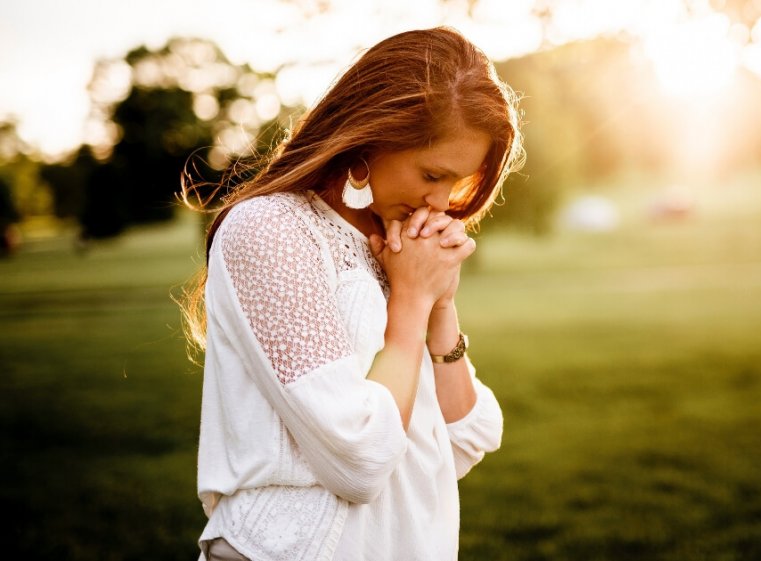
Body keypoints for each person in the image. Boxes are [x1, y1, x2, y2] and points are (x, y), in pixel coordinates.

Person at [178, 26, 524, 561]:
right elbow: (360, 457)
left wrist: (440, 302)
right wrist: (409, 305)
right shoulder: (271, 231)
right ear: (372, 136)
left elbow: (467, 436)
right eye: (432, 174)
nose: (441, 204)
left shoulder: (396, 245)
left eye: (454, 185)